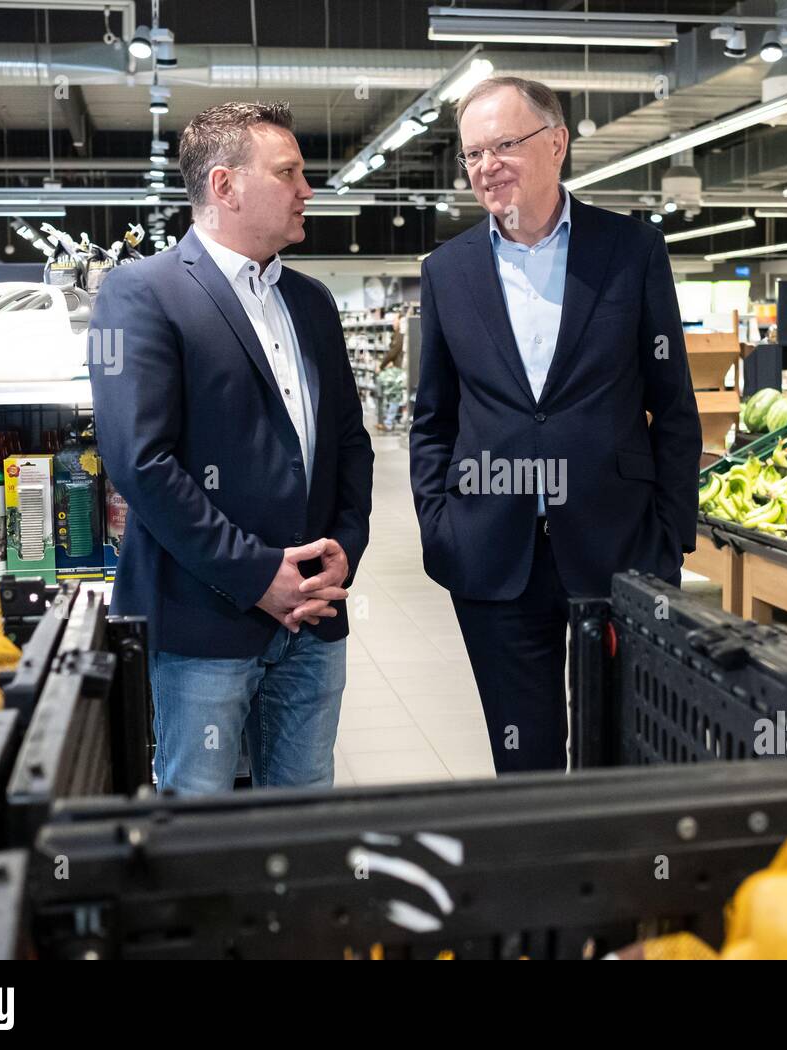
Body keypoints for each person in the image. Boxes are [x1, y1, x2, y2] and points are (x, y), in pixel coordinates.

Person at [409, 77, 701, 774]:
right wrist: (439, 525)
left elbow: (675, 407)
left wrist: (671, 537)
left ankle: (620, 878)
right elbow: (433, 418)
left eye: (504, 145)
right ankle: (545, 881)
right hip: (490, 552)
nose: (486, 166)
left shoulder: (630, 250)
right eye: (473, 154)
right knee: (525, 761)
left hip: (619, 543)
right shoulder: (447, 271)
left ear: (558, 144)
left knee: (621, 745)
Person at [88, 101, 373, 794]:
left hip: (314, 616)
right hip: (202, 623)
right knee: (198, 820)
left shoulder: (310, 302)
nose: (308, 189)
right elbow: (140, 462)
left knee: (302, 813)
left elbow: (347, 442)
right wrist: (255, 576)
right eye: (289, 173)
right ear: (225, 186)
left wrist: (343, 548)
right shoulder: (140, 294)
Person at [375, 314, 406, 432]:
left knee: (394, 394)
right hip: (397, 368)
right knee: (393, 394)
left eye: (395, 320)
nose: (393, 322)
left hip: (399, 371)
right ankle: (387, 420)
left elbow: (393, 353)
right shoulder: (398, 334)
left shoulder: (400, 335)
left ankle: (387, 421)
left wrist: (381, 365)